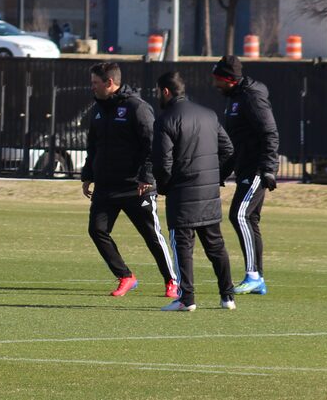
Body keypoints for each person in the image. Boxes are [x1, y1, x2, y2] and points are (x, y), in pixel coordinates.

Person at [81, 62, 178, 298]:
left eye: (95, 82)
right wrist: (87, 175)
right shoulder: (97, 110)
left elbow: (152, 145)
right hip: (106, 186)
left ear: (109, 83)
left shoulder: (137, 108)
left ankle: (172, 281)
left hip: (136, 187)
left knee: (152, 236)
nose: (91, 87)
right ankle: (125, 276)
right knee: (97, 230)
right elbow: (92, 146)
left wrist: (146, 176)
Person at [152, 71, 235, 311]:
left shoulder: (166, 120)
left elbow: (162, 163)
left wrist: (165, 186)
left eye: (158, 92)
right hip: (208, 193)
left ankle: (186, 298)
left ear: (166, 91)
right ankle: (227, 296)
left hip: (182, 192)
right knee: (215, 245)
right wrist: (217, 177)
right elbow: (229, 150)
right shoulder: (209, 115)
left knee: (182, 245)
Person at [212, 55, 279, 295]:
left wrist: (269, 168)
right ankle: (257, 277)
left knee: (239, 215)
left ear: (228, 79)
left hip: (257, 169)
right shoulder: (234, 98)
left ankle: (253, 276)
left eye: (217, 79)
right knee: (248, 219)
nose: (214, 84)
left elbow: (270, 132)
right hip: (244, 168)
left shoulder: (252, 97)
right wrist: (222, 172)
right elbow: (235, 144)